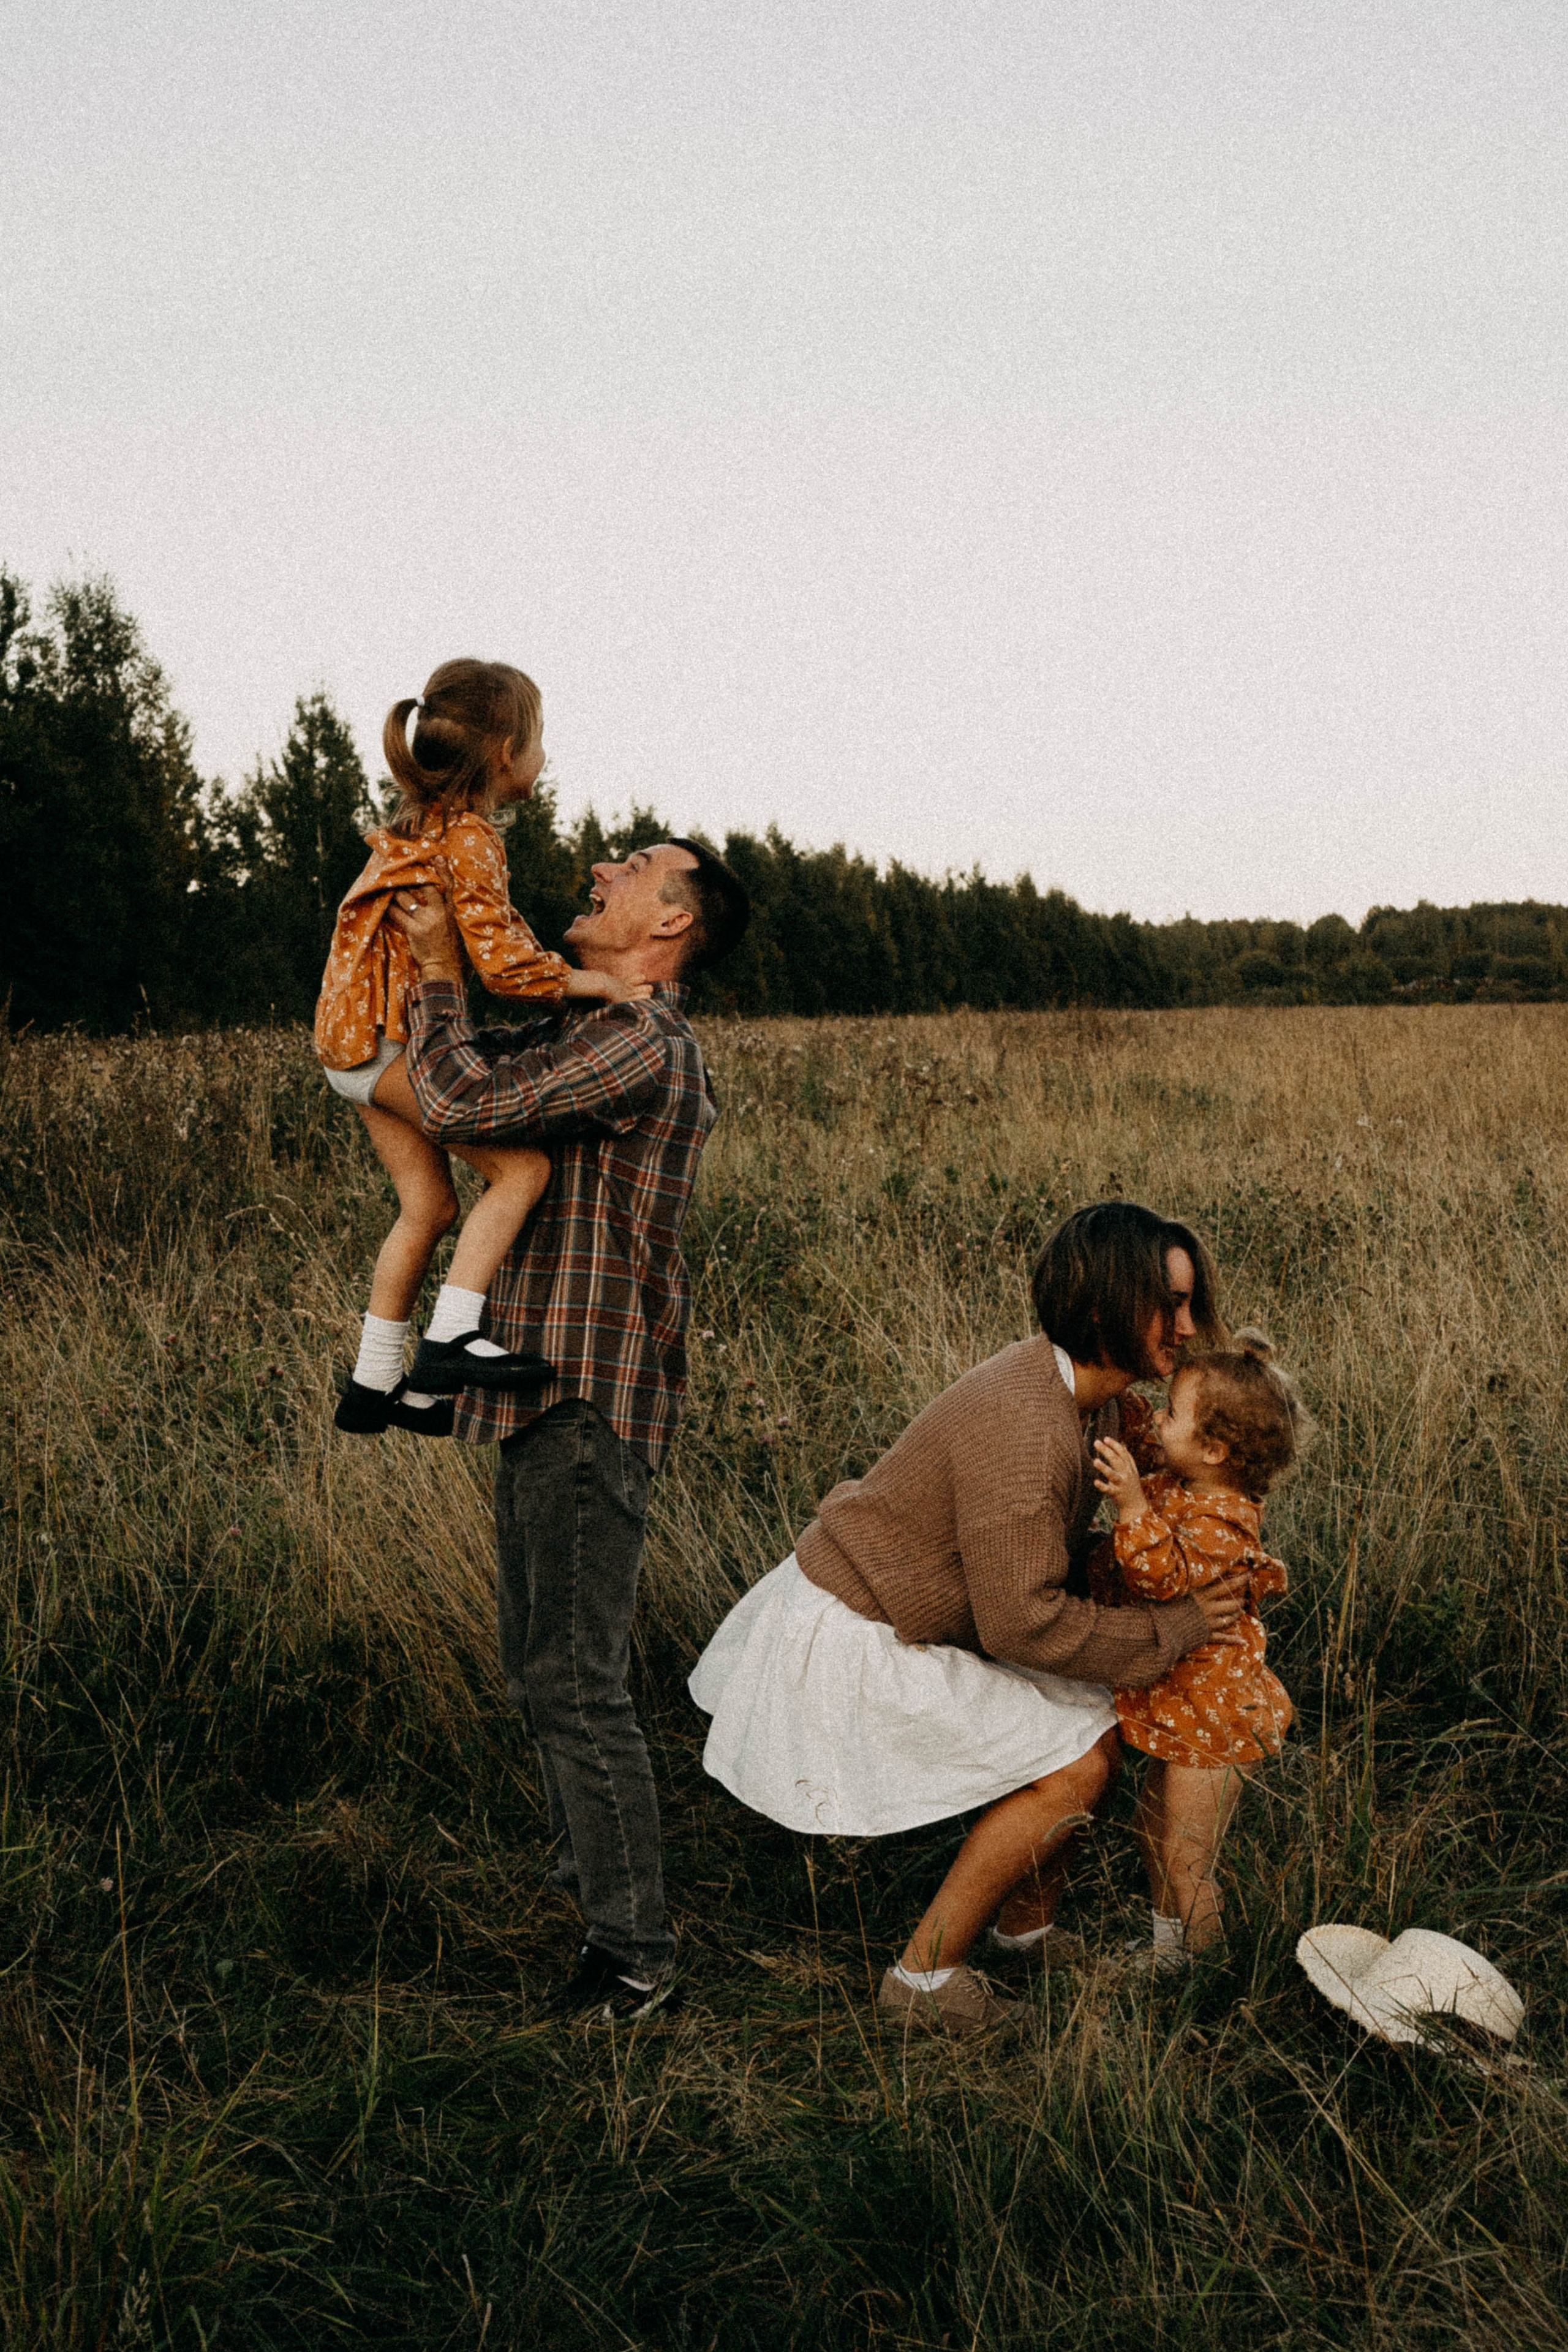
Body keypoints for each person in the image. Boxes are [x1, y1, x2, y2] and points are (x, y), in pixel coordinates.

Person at [689, 1200, 1253, 2040]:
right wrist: (1175, 1631)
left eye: (1187, 1300)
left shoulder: (1089, 1395)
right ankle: (922, 1978)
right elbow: (1022, 1628)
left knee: (1087, 1728)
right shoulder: (1028, 1427)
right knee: (1075, 1767)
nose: (1186, 1324)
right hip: (855, 1628)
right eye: (1164, 1304)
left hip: (911, 1607)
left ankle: (1022, 1931)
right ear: (1101, 1305)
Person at [387, 831, 750, 2021]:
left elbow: (455, 1096)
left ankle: (633, 1958)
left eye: (633, 866)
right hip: (552, 1395)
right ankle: (593, 1902)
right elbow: (464, 1077)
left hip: (588, 1403)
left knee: (576, 1678)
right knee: (542, 1667)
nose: (598, 867)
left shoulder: (637, 1042)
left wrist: (439, 964)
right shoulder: (592, 1027)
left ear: (668, 925)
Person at [315, 659, 648, 1438]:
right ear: (505, 754)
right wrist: (587, 985)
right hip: (389, 1044)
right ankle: (449, 1341)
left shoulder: (420, 823)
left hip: (350, 1045)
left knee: (428, 1208)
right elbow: (500, 960)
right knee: (522, 1168)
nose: (545, 761)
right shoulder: (468, 837)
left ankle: (376, 1385)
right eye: (539, 744)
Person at [1090, 1329, 1311, 1965]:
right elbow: (1148, 1444)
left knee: (1187, 1860)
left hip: (1215, 1723)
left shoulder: (1223, 1522)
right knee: (1151, 1832)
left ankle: (1213, 1979)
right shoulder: (1192, 1486)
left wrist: (1130, 1502)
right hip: (1191, 1709)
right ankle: (1169, 1954)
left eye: (1171, 1414)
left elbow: (1158, 1574)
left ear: (1213, 1449)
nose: (1158, 1419)